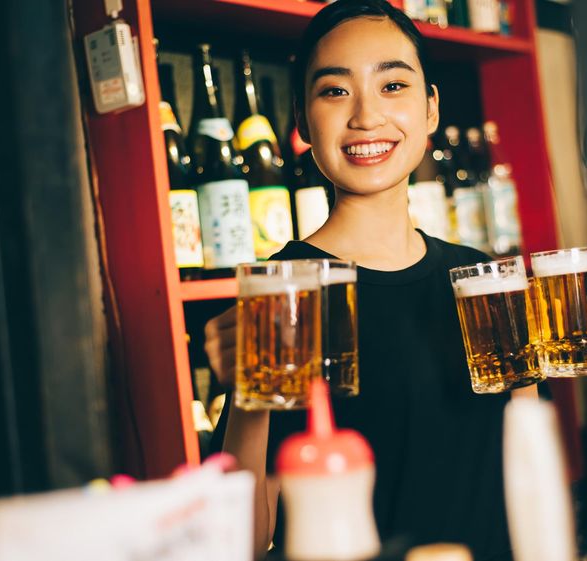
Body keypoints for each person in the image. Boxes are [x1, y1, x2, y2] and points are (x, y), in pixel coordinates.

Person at [205, 1, 531, 559]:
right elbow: (244, 542)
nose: (365, 116)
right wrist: (250, 398)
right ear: (303, 123)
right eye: (335, 91)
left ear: (431, 109)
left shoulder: (481, 277)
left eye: (393, 85)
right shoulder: (287, 293)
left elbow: (526, 465)